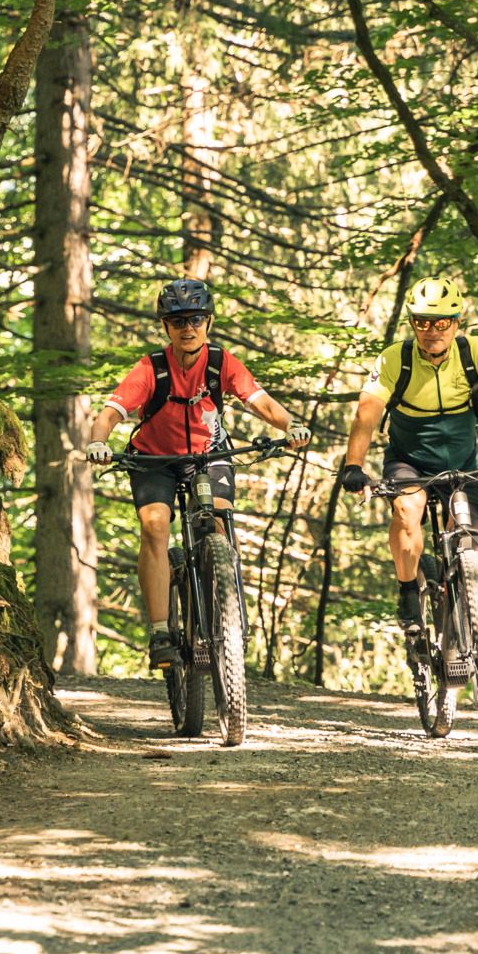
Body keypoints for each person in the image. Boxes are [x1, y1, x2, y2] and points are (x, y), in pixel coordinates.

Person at [84, 278, 310, 669]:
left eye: (197, 319)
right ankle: (160, 632)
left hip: (208, 455)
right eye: (178, 321)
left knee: (217, 520)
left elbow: (260, 402)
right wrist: (98, 442)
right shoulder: (150, 368)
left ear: (209, 322)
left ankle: (221, 608)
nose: (188, 328)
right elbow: (109, 414)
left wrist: (290, 426)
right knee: (155, 527)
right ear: (165, 327)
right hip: (154, 459)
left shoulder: (223, 363)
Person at [336, 280, 478, 642]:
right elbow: (368, 411)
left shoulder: (476, 352)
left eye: (441, 322)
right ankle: (409, 591)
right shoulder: (396, 359)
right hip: (409, 459)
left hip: (462, 462)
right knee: (408, 509)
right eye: (423, 322)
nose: (431, 331)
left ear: (456, 322)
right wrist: (353, 465)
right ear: (413, 323)